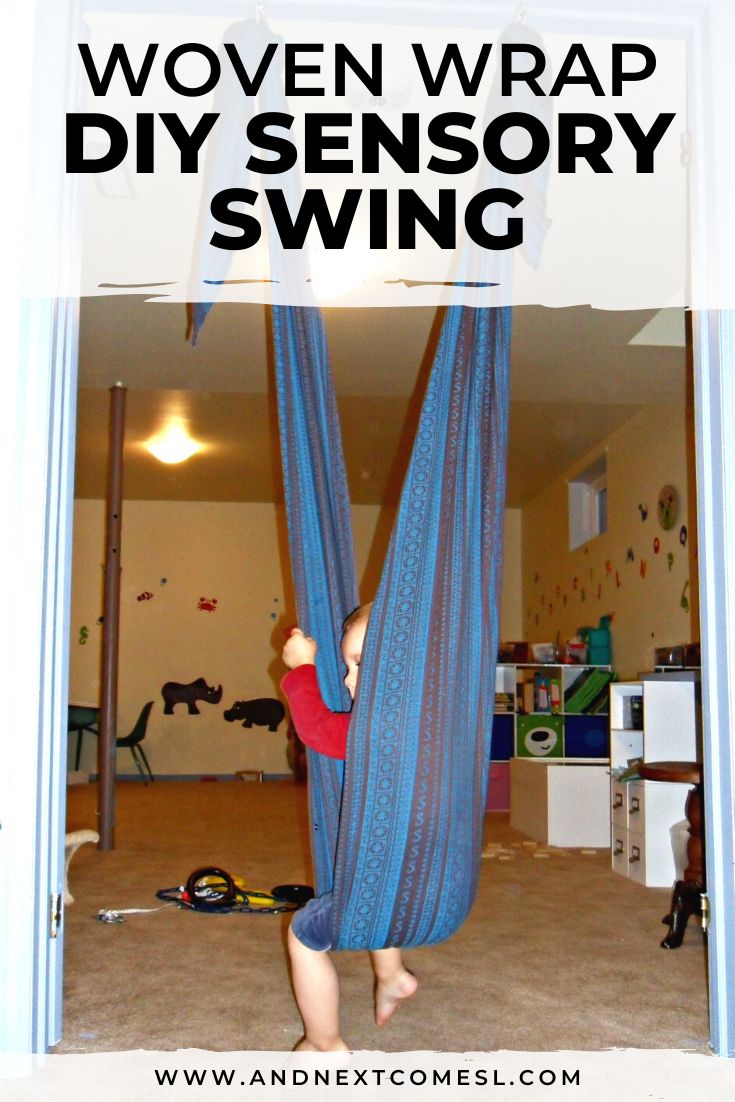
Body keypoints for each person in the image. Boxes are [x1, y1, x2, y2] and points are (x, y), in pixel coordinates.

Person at [281, 604, 418, 1051]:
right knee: (378, 890)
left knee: (305, 935)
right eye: (347, 664)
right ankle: (391, 975)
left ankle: (324, 1045)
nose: (345, 679)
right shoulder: (432, 725)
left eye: (359, 663)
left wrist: (302, 667)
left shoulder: (377, 731)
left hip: (382, 889)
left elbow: (316, 727)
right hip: (427, 883)